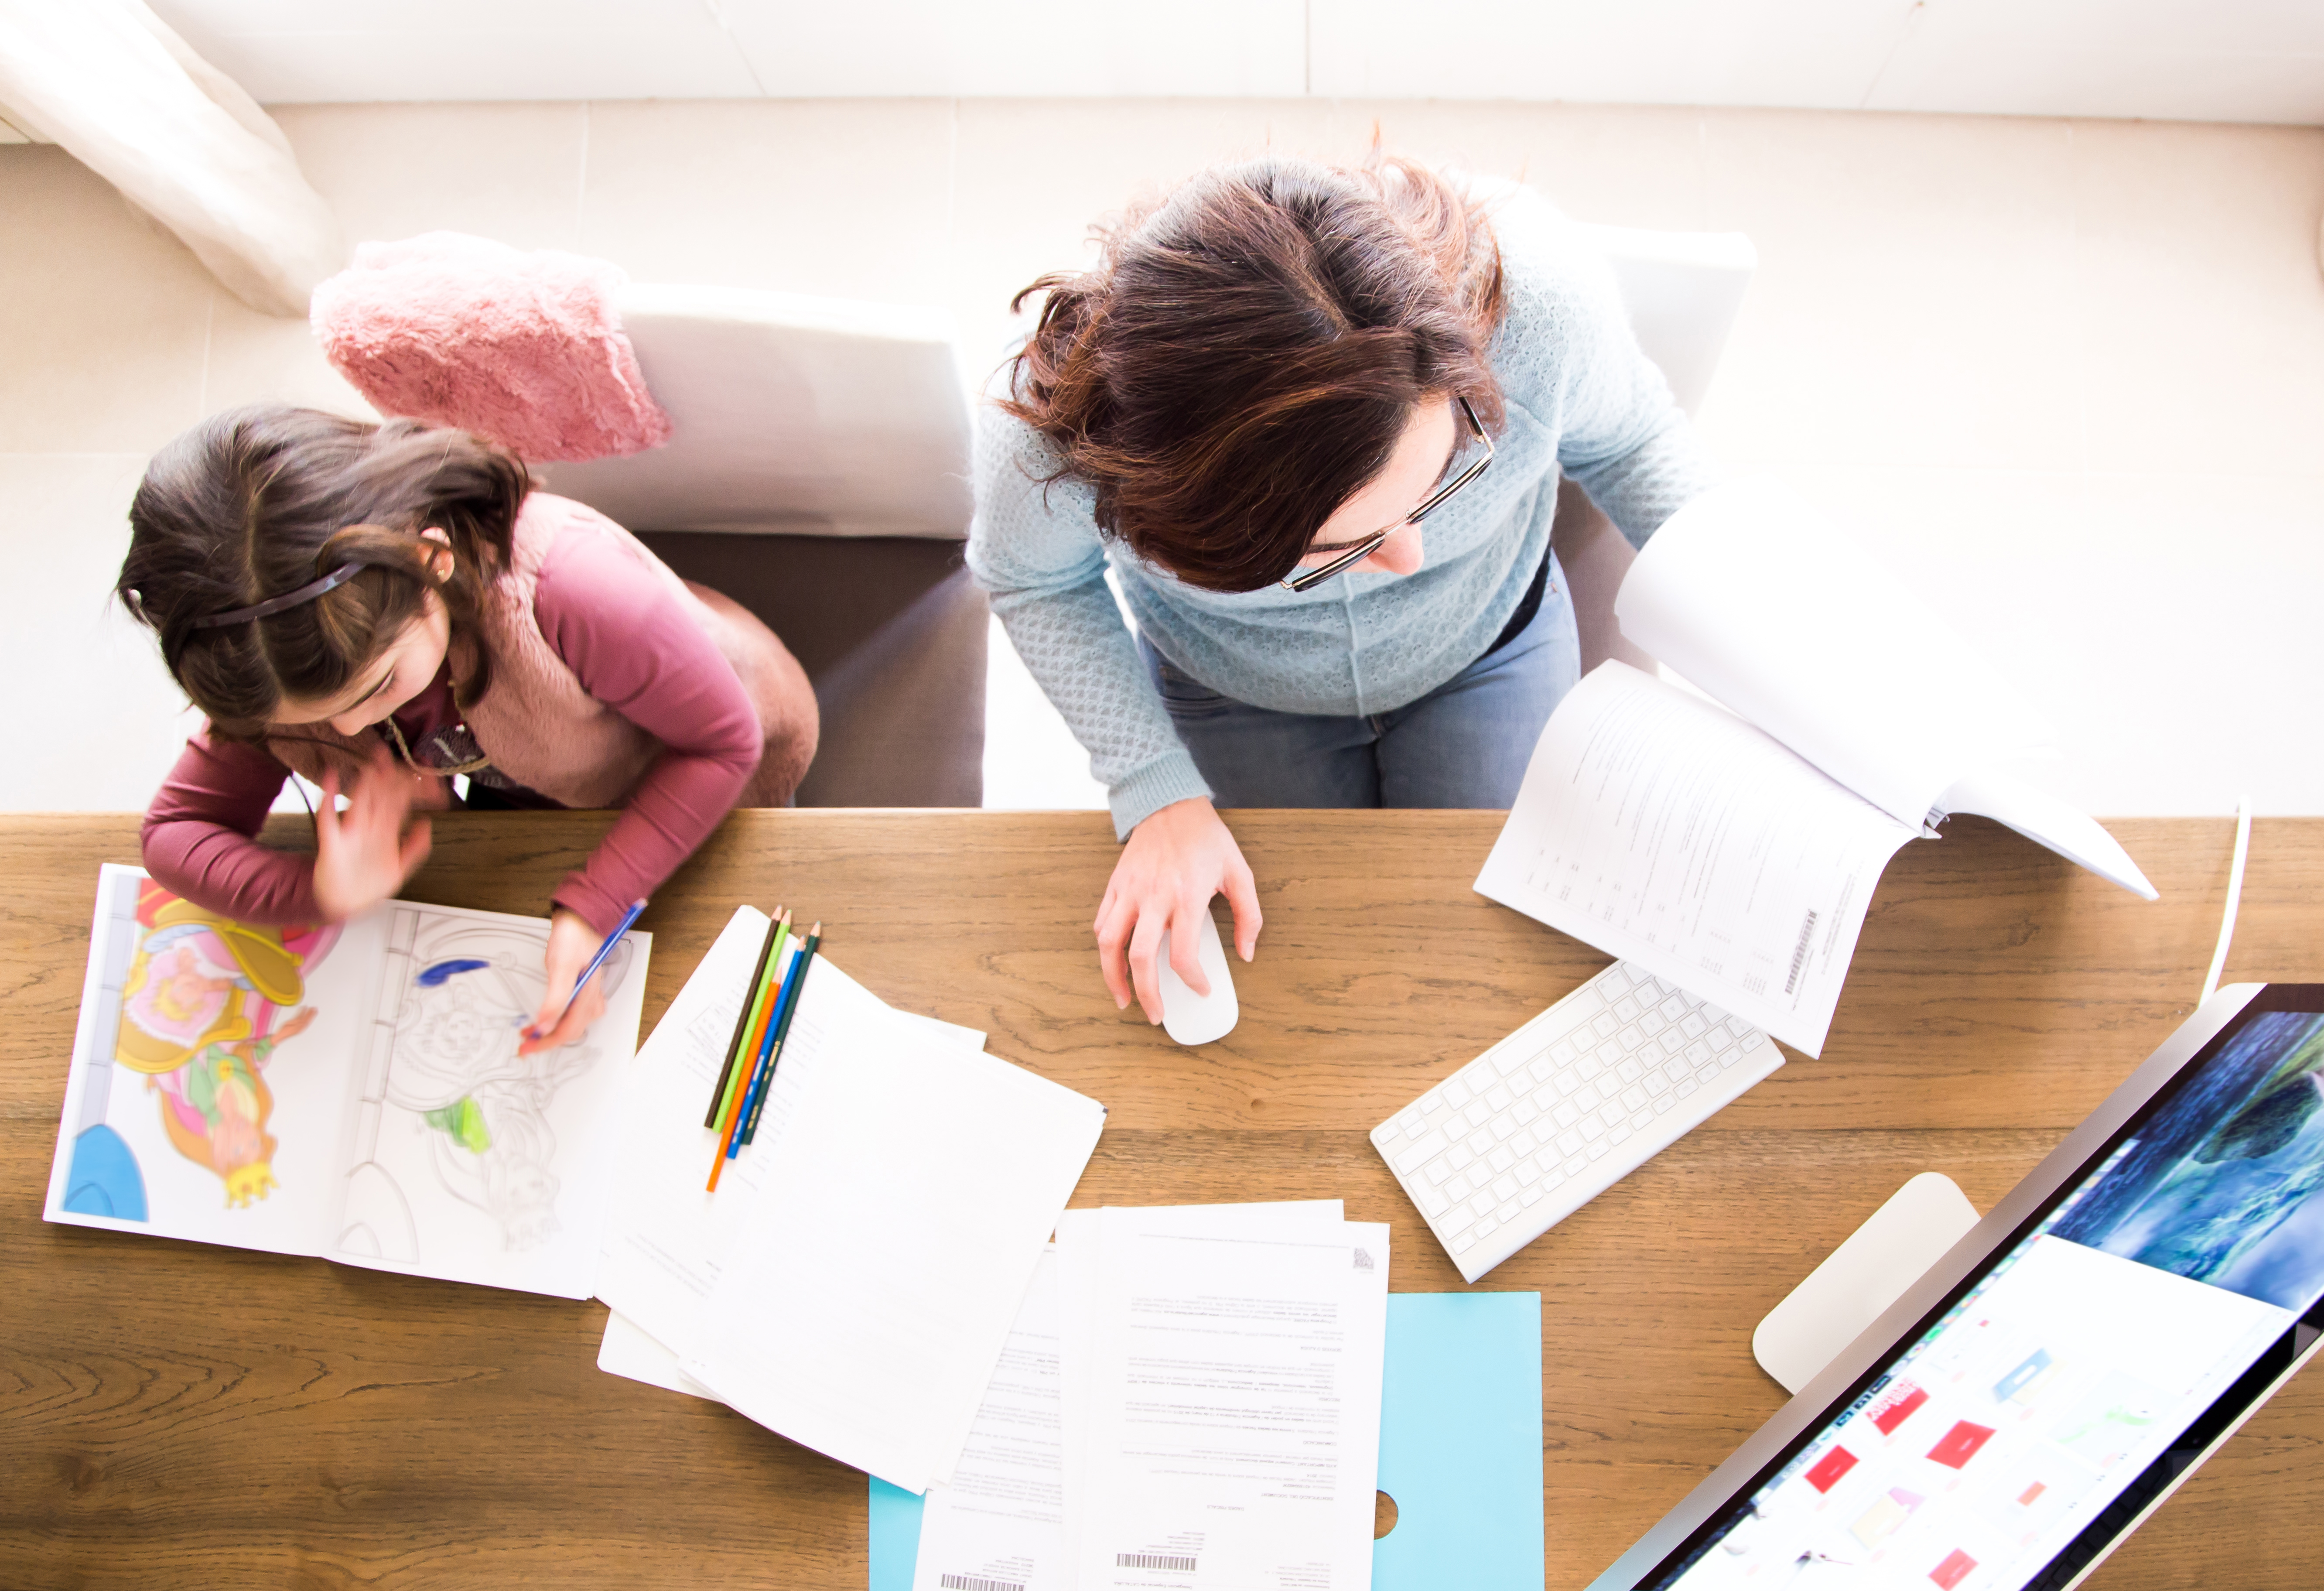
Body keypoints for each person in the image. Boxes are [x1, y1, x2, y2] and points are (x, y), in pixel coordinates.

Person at [970, 153, 1715, 1023]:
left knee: (1505, 949)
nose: (1410, 559)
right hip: (1234, 689)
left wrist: (1760, 655)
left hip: (1488, 646)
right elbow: (1033, 580)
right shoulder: (1051, 445)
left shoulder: (1540, 301)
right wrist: (1155, 789)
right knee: (1305, 962)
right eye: (1334, 548)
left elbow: (1633, 444)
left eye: (1437, 484)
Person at [119, 406, 818, 1052]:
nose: (351, 728)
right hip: (537, 804)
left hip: (708, 755)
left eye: (376, 688)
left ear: (431, 562)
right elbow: (176, 834)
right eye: (305, 723)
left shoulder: (569, 588)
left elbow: (724, 743)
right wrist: (320, 889)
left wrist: (595, 905)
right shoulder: (278, 657)